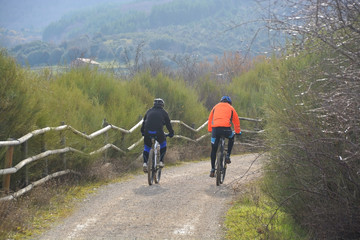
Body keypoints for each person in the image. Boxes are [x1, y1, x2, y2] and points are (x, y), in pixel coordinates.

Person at [207, 96, 241, 177]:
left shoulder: (215, 107)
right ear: (229, 102)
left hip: (215, 130)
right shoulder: (231, 108)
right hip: (226, 129)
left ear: (221, 101)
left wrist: (210, 130)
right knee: (231, 137)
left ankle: (212, 169)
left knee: (214, 149)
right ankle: (228, 155)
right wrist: (238, 132)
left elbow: (210, 119)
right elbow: (236, 121)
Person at [141, 98, 174, 172]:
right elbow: (168, 124)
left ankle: (145, 163)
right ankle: (161, 161)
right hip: (159, 132)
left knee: (146, 147)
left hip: (147, 132)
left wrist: (142, 132)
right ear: (162, 105)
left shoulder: (149, 111)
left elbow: (144, 122)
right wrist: (171, 133)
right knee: (163, 144)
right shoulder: (164, 112)